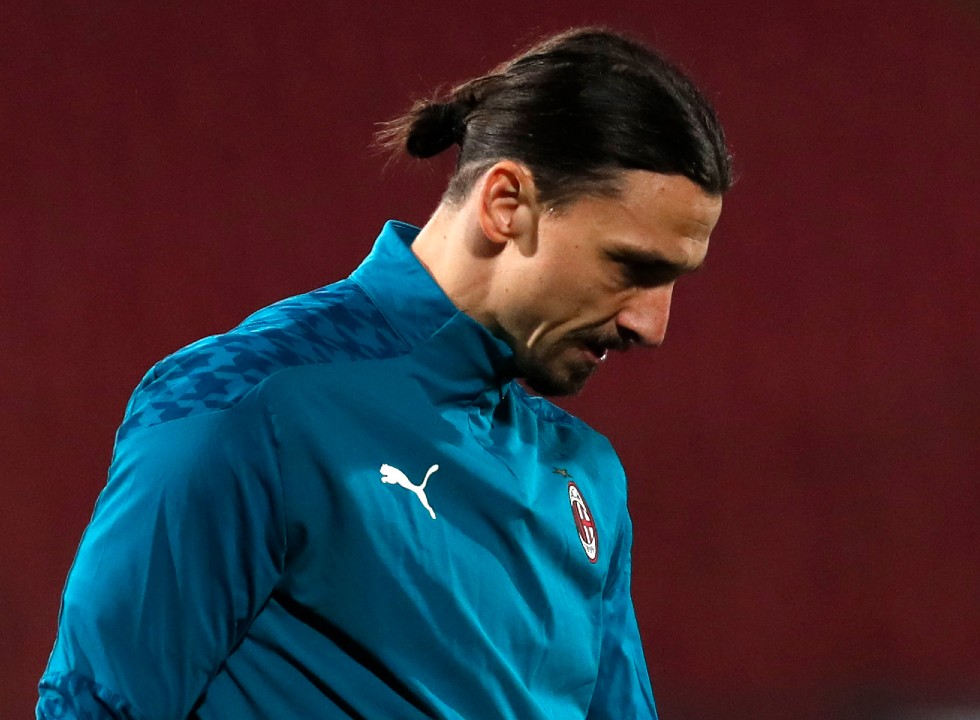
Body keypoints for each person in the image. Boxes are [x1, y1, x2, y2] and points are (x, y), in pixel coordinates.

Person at [37, 27, 731, 720]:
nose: (653, 324)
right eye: (632, 267)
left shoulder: (587, 478)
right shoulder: (253, 403)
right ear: (506, 206)